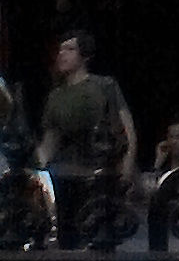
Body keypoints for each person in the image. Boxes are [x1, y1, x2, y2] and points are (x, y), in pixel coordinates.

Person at [37, 25, 137, 188]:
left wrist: (126, 173)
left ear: (84, 55)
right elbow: (50, 141)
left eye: (70, 49)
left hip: (101, 172)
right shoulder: (55, 96)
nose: (62, 54)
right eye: (61, 49)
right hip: (66, 174)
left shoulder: (104, 86)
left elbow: (127, 132)